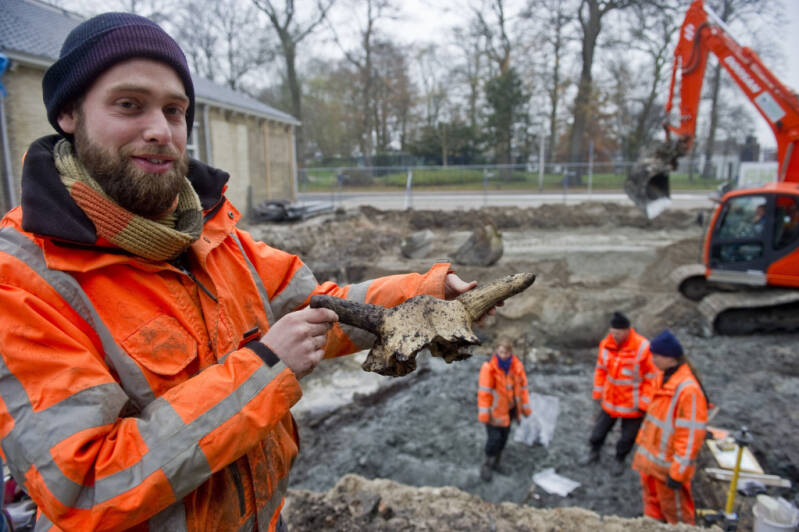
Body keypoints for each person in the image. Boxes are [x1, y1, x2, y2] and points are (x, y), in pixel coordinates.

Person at [0, 13, 483, 531]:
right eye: (128, 105)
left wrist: (425, 298)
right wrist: (267, 366)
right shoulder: (23, 281)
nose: (160, 130)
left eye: (174, 109)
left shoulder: (213, 234)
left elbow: (321, 306)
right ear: (69, 114)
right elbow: (84, 486)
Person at [632, 329, 708, 525]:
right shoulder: (662, 379)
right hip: (651, 465)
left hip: (667, 470)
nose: (653, 360)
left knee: (677, 516)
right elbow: (653, 420)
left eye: (656, 356)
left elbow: (690, 437)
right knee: (653, 509)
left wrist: (678, 473)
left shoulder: (688, 390)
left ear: (670, 357)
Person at [579, 311, 656, 476]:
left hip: (632, 405)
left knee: (627, 438)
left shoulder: (643, 347)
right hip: (610, 401)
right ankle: (594, 452)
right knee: (598, 432)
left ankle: (619, 459)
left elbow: (651, 378)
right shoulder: (606, 344)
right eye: (612, 332)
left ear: (628, 330)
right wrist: (597, 393)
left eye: (618, 333)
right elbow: (600, 369)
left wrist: (644, 402)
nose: (615, 335)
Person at [477, 337, 532, 482]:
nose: (503, 356)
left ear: (511, 352)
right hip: (494, 412)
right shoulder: (489, 368)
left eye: (506, 353)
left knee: (503, 439)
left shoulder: (517, 366)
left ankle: (497, 463)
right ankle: (487, 465)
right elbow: (484, 392)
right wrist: (484, 414)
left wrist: (525, 409)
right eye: (500, 352)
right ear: (496, 351)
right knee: (493, 439)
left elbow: (523, 389)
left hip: (509, 411)